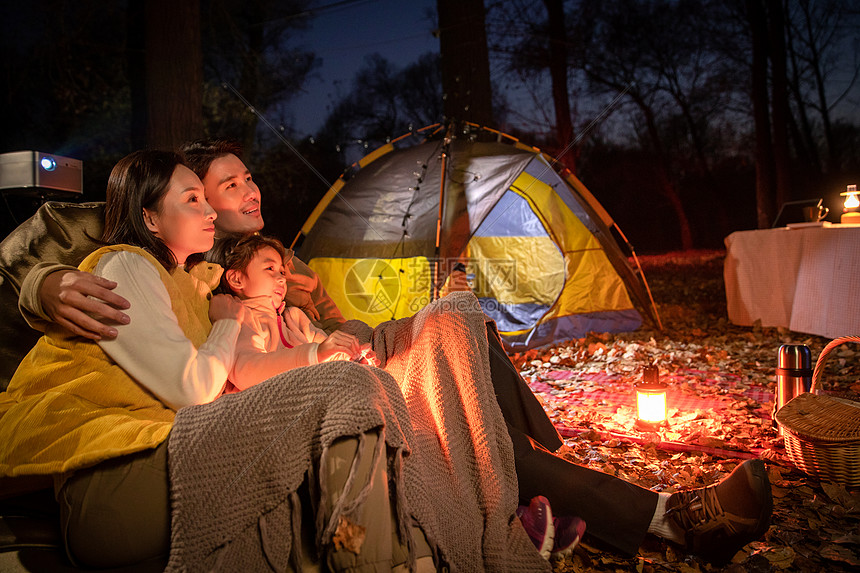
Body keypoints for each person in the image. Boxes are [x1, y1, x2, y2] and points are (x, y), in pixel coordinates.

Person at [6, 139, 773, 564]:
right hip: (268, 381)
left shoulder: (267, 253)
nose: (239, 193)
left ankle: (521, 457)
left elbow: (323, 319)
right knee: (449, 377)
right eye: (216, 186)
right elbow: (50, 247)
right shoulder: (189, 269)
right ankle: (659, 515)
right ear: (165, 204)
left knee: (455, 317)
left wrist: (323, 317)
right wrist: (39, 281)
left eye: (240, 182)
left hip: (325, 345)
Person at [0, 150, 245, 566]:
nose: (211, 211)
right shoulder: (129, 263)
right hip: (118, 464)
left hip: (159, 449)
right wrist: (229, 322)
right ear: (150, 218)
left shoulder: (193, 281)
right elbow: (194, 388)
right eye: (197, 197)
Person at [215, 233, 375, 393]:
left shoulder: (295, 318)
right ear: (237, 279)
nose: (282, 279)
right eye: (270, 268)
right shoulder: (241, 317)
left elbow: (328, 351)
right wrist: (315, 353)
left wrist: (352, 358)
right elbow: (246, 371)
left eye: (282, 272)